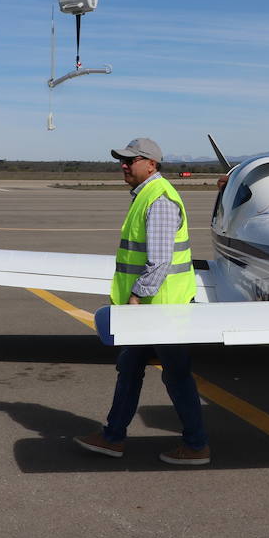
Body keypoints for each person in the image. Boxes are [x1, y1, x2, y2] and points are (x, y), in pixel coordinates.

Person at [76, 137, 210, 466]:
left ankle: (196, 445)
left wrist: (138, 295)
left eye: (131, 160)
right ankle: (112, 437)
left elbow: (160, 260)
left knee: (175, 374)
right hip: (150, 309)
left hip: (161, 309)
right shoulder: (145, 196)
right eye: (122, 160)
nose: (123, 165)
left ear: (151, 164)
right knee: (130, 367)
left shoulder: (160, 199)